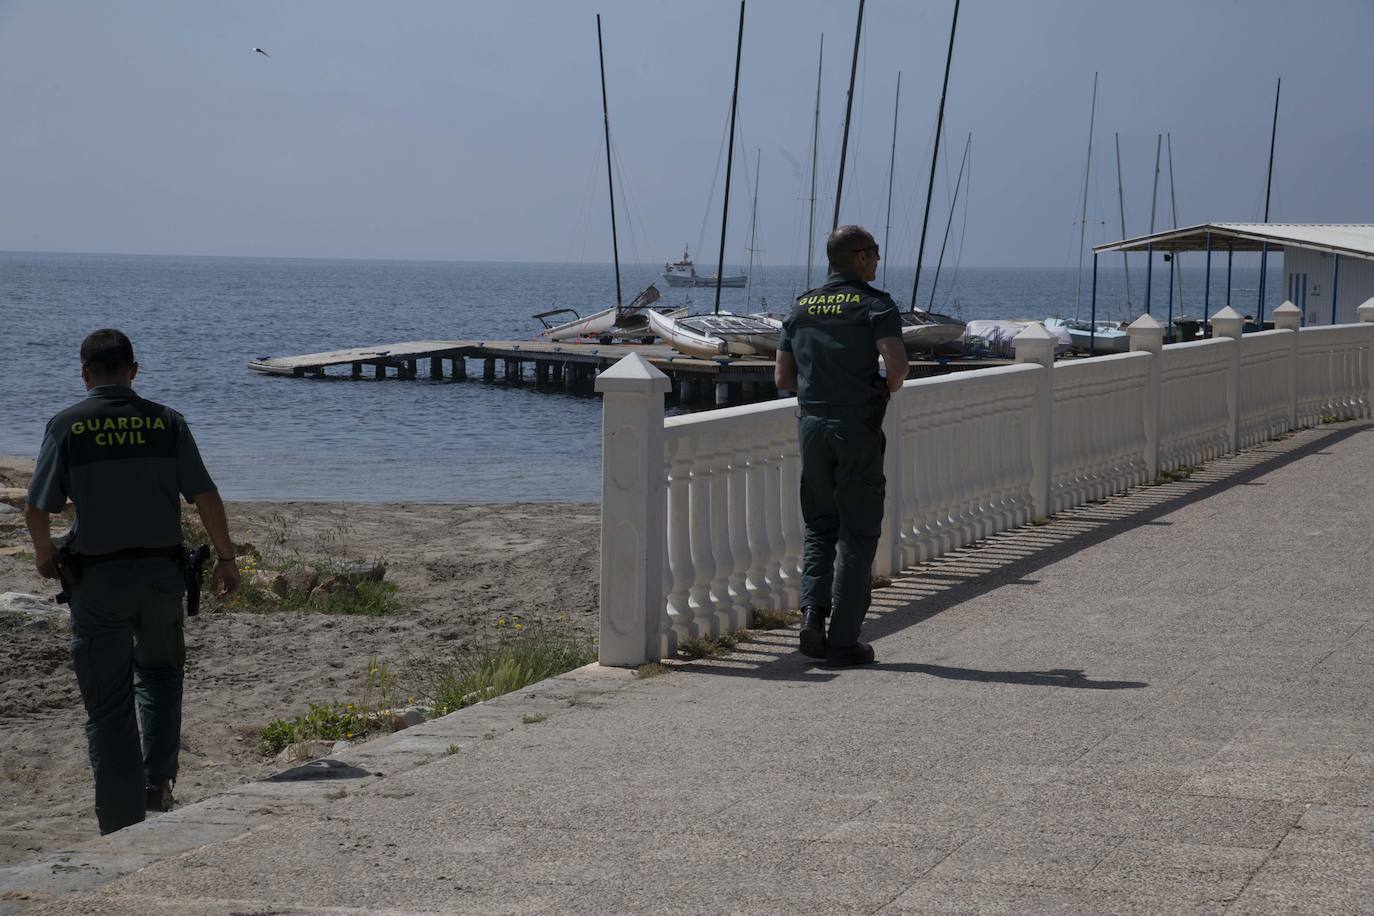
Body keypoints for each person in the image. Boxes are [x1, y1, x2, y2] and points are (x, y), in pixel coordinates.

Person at [24, 329, 240, 835]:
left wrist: (44, 554)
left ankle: (121, 821)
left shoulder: (66, 426)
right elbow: (205, 496)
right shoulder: (167, 422)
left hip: (98, 584)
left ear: (84, 374)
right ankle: (158, 778)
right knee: (162, 676)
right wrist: (226, 559)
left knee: (108, 704)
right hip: (163, 577)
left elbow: (37, 509)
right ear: (133, 371)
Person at [774, 226, 907, 667]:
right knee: (859, 530)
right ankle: (844, 640)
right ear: (861, 257)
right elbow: (897, 366)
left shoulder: (800, 307)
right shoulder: (875, 304)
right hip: (856, 426)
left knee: (819, 524)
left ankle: (813, 614)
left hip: (811, 426)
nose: (878, 261)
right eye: (876, 254)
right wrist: (878, 387)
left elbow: (783, 379)